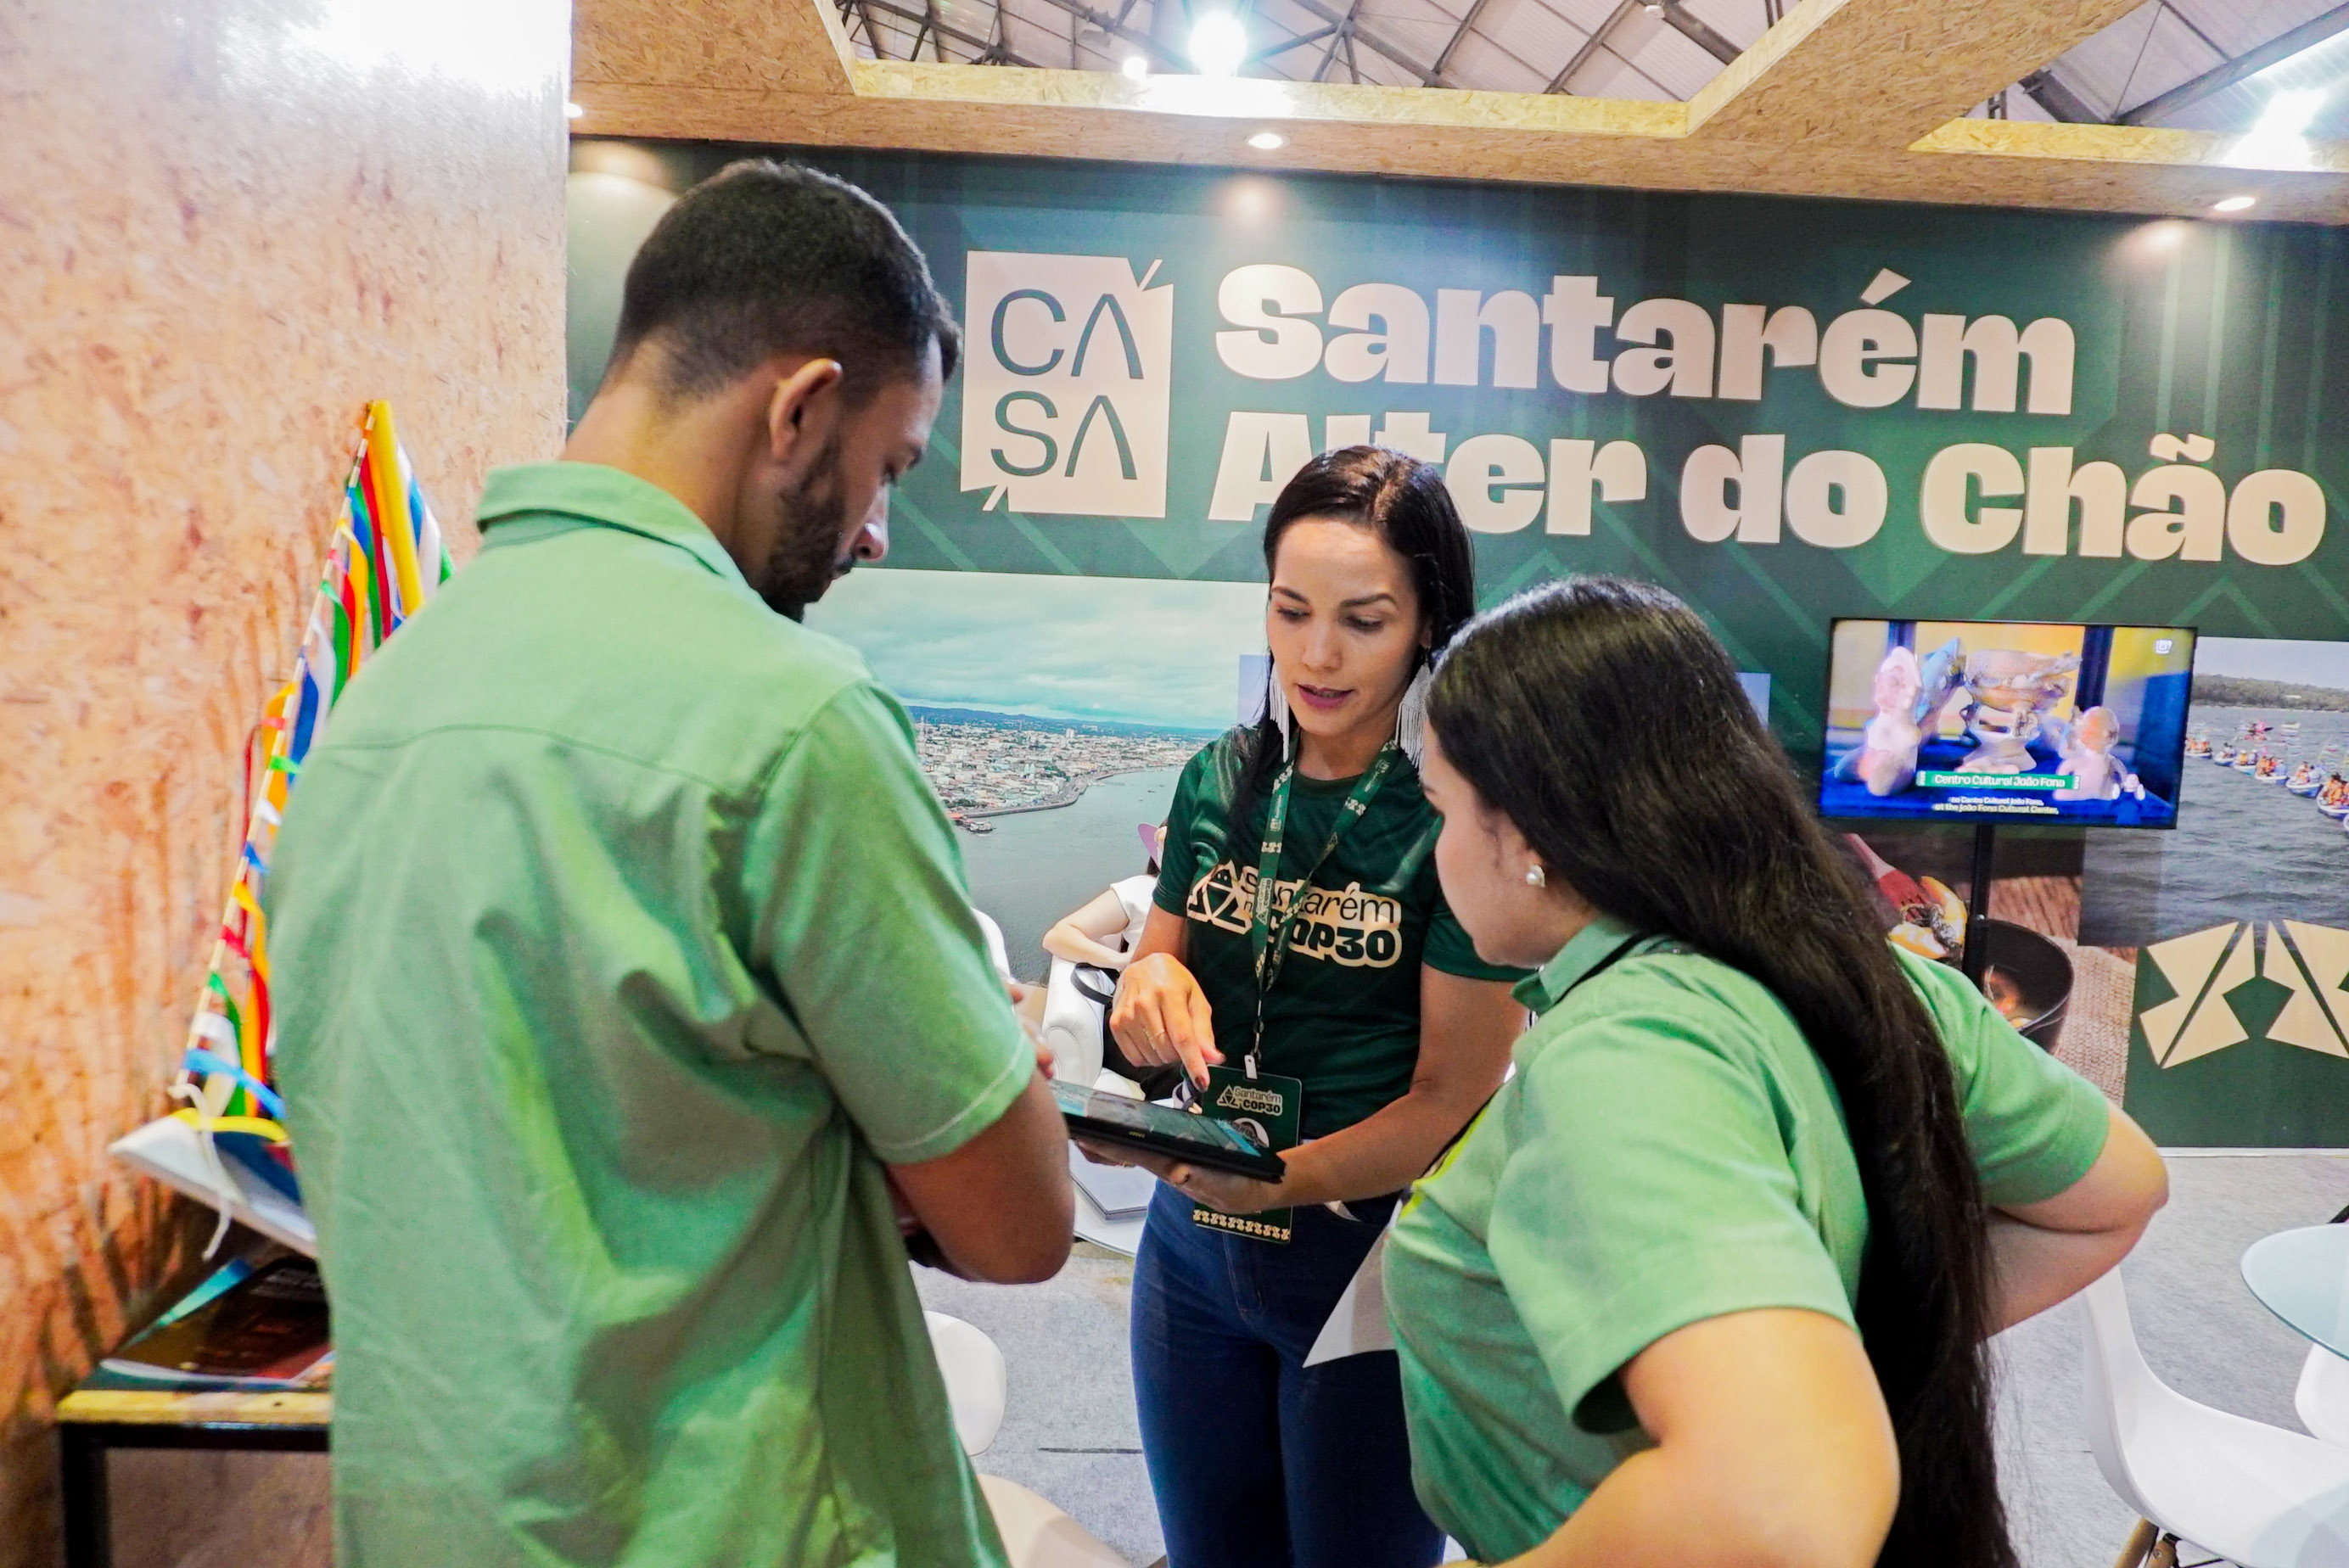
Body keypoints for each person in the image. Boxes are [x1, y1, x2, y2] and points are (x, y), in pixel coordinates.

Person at [266, 160, 1073, 1568]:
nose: (877, 531)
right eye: (889, 467)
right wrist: (960, 1081)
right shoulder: (792, 720)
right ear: (799, 407)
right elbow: (1019, 1225)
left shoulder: (371, 710)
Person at [1388, 576, 2171, 1568]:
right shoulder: (1882, 982)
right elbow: (2116, 1191)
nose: (1435, 853)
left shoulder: (1625, 1052)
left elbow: (1779, 1505)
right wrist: (1832, 1353)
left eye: (1441, 809)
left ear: (1529, 833)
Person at [1095, 447, 1530, 1568]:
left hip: (1364, 1264)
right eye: (1291, 611)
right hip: (1191, 1250)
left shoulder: (1455, 818)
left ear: (1429, 625)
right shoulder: (1220, 777)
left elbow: (1450, 1101)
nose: (1317, 655)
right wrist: (1147, 987)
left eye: (1363, 620)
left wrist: (1280, 1176)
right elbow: (1158, 966)